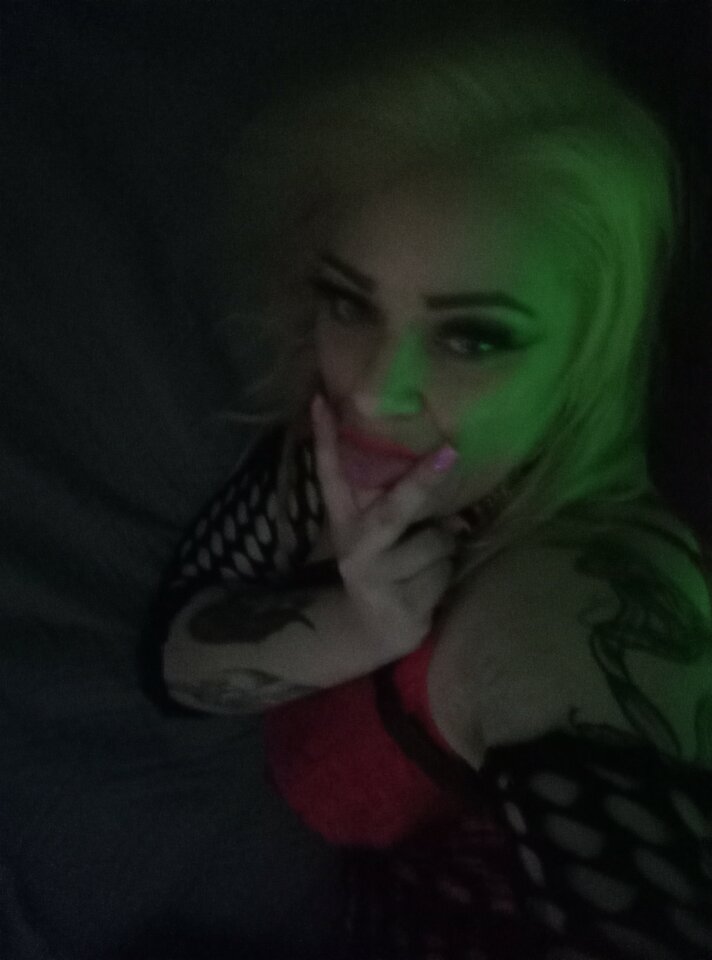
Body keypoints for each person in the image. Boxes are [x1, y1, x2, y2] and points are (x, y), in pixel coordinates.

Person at [156, 8, 712, 959]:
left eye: (474, 337)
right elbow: (174, 656)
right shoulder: (332, 450)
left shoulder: (577, 600)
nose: (377, 390)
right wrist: (357, 627)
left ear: (584, 360)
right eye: (349, 302)